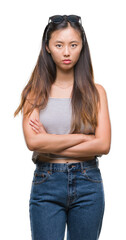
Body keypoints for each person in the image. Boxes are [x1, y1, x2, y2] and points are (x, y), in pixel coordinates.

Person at [14, 15, 111, 240]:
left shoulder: (96, 93)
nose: (66, 52)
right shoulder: (34, 93)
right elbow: (33, 143)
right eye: (59, 45)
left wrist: (49, 142)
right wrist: (85, 139)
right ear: (47, 47)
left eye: (73, 45)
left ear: (82, 47)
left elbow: (104, 145)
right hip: (46, 183)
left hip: (88, 183)